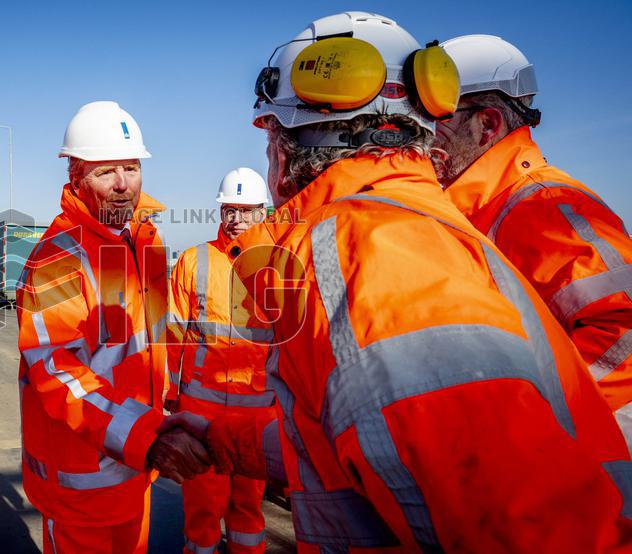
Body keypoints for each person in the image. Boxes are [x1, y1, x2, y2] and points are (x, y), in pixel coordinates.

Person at [165, 11, 632, 551]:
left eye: (270, 130)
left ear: (288, 142)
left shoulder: (363, 247)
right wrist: (225, 442)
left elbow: (517, 524)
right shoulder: (419, 224)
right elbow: (368, 432)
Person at [17, 100, 210, 554]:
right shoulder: (58, 257)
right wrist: (145, 435)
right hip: (81, 481)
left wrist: (172, 408)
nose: (124, 185)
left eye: (131, 167)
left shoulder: (149, 242)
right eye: (106, 172)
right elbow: (56, 369)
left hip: (135, 468)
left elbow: (158, 339)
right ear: (76, 178)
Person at [435, 34, 632, 448]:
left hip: (569, 470)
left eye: (436, 121)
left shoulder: (544, 205)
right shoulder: (469, 210)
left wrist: (527, 426)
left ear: (486, 123)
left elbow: (624, 333)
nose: (421, 140)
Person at [166, 168, 275, 554]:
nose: (237, 220)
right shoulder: (194, 261)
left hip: (257, 415)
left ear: (263, 212)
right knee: (202, 509)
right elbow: (173, 335)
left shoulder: (279, 264)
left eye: (246, 211)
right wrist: (167, 394)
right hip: (201, 414)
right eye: (230, 210)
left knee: (247, 509)